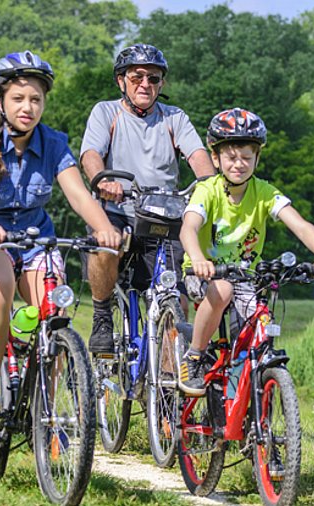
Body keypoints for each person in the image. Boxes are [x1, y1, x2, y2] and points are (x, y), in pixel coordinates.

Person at [0, 51, 121, 411]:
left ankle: (44, 410)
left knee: (53, 312)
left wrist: (105, 230)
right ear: (0, 100)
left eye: (36, 99)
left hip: (34, 241)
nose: (27, 107)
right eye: (18, 98)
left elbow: (78, 194)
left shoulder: (53, 143)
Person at [176, 108, 314, 396]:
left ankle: (249, 396)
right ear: (215, 158)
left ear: (257, 159)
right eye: (231, 157)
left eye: (247, 158)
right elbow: (188, 228)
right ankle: (196, 355)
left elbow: (299, 225)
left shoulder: (263, 192)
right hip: (202, 273)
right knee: (223, 290)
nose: (239, 164)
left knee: (262, 319)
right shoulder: (208, 191)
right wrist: (199, 259)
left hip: (245, 277)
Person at [80, 43, 215, 357]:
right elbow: (90, 155)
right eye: (137, 76)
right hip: (117, 208)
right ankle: (101, 316)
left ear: (161, 84)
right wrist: (103, 181)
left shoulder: (174, 118)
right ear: (121, 81)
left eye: (153, 78)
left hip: (163, 216)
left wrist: (209, 186)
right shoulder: (106, 112)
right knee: (105, 244)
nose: (145, 84)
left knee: (176, 296)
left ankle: (165, 386)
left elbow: (198, 157)